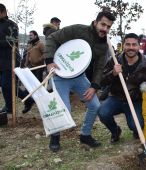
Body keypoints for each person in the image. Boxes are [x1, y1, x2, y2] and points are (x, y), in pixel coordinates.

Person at [44, 10, 116, 152]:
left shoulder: (103, 46)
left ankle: (85, 135)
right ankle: (55, 136)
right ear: (95, 22)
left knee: (95, 105)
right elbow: (52, 38)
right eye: (103, 24)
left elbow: (99, 68)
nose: (105, 29)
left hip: (79, 77)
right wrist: (49, 61)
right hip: (60, 75)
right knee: (63, 110)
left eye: (108, 27)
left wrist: (94, 86)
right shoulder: (78, 29)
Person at [99, 33, 146, 143]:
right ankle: (115, 131)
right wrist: (112, 73)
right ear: (123, 45)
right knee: (102, 112)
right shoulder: (114, 60)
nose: (131, 48)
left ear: (139, 46)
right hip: (116, 97)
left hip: (135, 101)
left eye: (134, 44)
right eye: (128, 44)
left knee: (136, 125)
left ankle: (137, 129)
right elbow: (101, 81)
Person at [0, 3, 34, 122]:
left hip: (10, 60)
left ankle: (9, 107)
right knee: (6, 85)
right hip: (0, 61)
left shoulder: (12, 25)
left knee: (6, 84)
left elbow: (13, 42)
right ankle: (28, 100)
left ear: (3, 12)